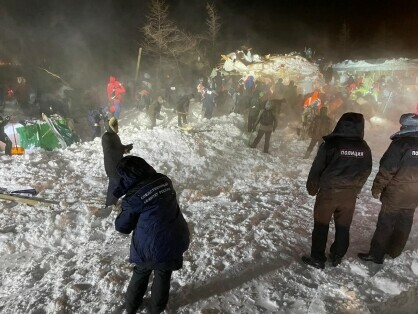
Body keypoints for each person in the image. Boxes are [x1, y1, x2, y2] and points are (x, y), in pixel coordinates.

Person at [114, 155, 190, 314]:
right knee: (163, 273)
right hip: (176, 235)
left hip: (151, 244)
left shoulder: (133, 198)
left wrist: (125, 207)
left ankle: (131, 307)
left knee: (141, 271)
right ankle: (157, 309)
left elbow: (122, 227)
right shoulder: (164, 180)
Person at [302, 112, 372, 269]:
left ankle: (318, 258)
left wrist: (312, 187)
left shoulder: (330, 145)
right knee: (343, 226)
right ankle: (337, 255)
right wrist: (357, 187)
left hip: (329, 193)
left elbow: (317, 168)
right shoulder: (364, 147)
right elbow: (366, 170)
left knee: (321, 225)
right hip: (349, 195)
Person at [358, 111, 418, 264]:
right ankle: (394, 251)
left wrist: (377, 187)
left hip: (396, 192)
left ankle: (376, 254)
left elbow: (387, 168)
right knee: (405, 221)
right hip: (414, 193)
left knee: (386, 223)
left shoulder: (400, 144)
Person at [101, 117, 133, 207]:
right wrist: (121, 150)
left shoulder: (115, 136)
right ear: (111, 126)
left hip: (118, 164)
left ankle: (110, 203)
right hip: (111, 166)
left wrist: (126, 148)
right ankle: (115, 203)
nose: (118, 127)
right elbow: (109, 151)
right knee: (119, 183)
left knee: (113, 184)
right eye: (116, 126)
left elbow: (118, 148)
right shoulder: (106, 137)